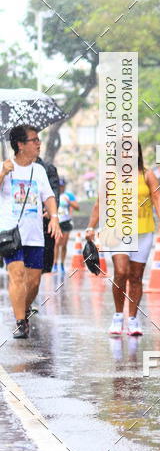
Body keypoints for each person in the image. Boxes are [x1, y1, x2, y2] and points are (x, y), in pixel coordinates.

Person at [86, 143, 160, 336]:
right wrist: (91, 226)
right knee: (121, 272)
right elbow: (100, 203)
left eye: (130, 149)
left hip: (144, 231)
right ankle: (117, 316)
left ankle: (132, 319)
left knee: (136, 277)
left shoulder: (146, 175)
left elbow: (157, 198)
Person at [0, 125, 61, 338]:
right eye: (34, 140)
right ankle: (19, 322)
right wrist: (2, 173)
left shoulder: (39, 170)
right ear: (20, 145)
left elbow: (49, 197)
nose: (38, 143)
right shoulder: (4, 167)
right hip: (11, 232)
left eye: (38, 139)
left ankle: (23, 311)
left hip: (35, 233)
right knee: (16, 275)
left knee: (34, 281)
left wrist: (54, 217)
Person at [53, 178, 79, 273]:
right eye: (59, 186)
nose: (61, 188)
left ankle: (62, 264)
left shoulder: (69, 195)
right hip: (57, 222)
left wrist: (69, 202)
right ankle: (55, 264)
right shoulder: (54, 193)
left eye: (62, 186)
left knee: (64, 245)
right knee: (56, 243)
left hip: (66, 221)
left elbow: (77, 207)